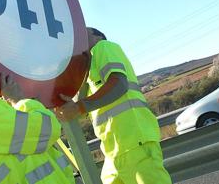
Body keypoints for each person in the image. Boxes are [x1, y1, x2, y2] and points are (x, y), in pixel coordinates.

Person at [54, 28, 172, 184]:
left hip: (134, 142)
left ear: (98, 36)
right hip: (113, 152)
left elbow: (119, 85)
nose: (79, 36)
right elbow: (82, 108)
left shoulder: (103, 46)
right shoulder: (90, 67)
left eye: (85, 32)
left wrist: (79, 107)